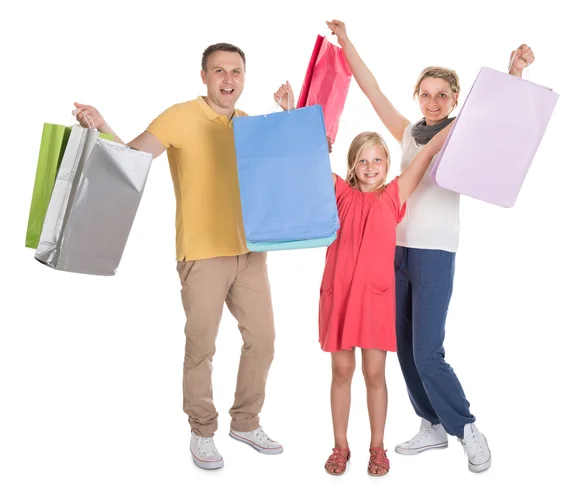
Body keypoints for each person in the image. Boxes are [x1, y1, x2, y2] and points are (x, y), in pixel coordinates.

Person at [326, 19, 535, 473]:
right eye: (426, 93)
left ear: (456, 99)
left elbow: (501, 124)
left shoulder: (461, 131)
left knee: (427, 351)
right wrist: (346, 42)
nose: (434, 101)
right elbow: (372, 89)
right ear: (417, 96)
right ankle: (430, 425)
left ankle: (465, 428)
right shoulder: (405, 133)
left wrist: (513, 73)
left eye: (443, 94)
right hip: (390, 254)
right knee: (402, 348)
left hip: (435, 252)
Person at [74, 42, 294, 471]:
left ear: (244, 77)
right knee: (202, 348)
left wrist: (290, 120)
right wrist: (102, 125)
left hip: (251, 253)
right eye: (219, 71)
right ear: (204, 76)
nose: (228, 80)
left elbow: (287, 171)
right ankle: (202, 430)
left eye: (236, 71)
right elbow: (131, 160)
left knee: (264, 341)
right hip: (202, 254)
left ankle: (246, 422)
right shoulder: (179, 116)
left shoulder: (251, 124)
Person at [274, 82, 452, 476]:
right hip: (340, 295)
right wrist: (290, 113)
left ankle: (377, 448)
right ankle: (340, 446)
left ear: (387, 165)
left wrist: (461, 121)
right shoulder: (338, 192)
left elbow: (425, 156)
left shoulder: (393, 196)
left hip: (375, 298)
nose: (371, 168)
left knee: (375, 374)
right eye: (363, 162)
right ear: (352, 165)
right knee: (341, 372)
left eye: (378, 161)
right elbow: (307, 158)